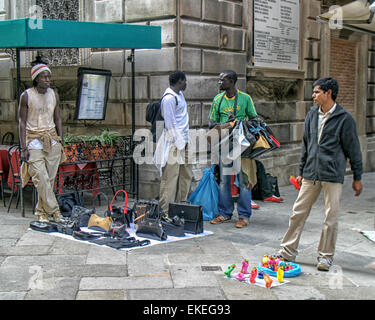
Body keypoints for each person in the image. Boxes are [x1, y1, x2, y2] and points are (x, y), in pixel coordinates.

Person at [278, 77, 363, 271]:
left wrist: (357, 177)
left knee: (330, 217)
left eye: (317, 92)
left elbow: (354, 150)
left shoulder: (345, 119)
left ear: (328, 93)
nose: (313, 95)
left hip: (332, 175)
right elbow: (306, 145)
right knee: (297, 213)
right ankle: (287, 252)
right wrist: (301, 171)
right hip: (310, 173)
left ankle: (325, 257)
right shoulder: (311, 115)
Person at [208, 70, 258, 228]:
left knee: (244, 181)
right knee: (224, 181)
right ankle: (225, 213)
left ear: (231, 81)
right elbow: (211, 123)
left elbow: (255, 120)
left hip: (242, 146)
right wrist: (225, 125)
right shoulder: (218, 99)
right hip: (224, 145)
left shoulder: (245, 98)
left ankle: (243, 216)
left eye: (222, 80)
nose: (219, 83)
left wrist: (239, 123)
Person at [18, 61, 66, 223]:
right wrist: (23, 147)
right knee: (41, 178)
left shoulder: (54, 94)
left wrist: (61, 139)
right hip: (33, 141)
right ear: (36, 78)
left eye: (49, 77)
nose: (48, 80)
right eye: (44, 77)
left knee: (49, 180)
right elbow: (22, 122)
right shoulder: (26, 96)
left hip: (52, 140)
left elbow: (58, 117)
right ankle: (55, 211)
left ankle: (41, 212)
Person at [153, 71, 193, 214]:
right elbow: (170, 125)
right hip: (174, 143)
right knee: (170, 178)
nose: (186, 83)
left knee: (186, 175)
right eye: (185, 81)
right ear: (180, 81)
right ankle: (165, 211)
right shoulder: (169, 99)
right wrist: (180, 143)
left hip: (184, 141)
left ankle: (182, 207)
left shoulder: (180, 95)